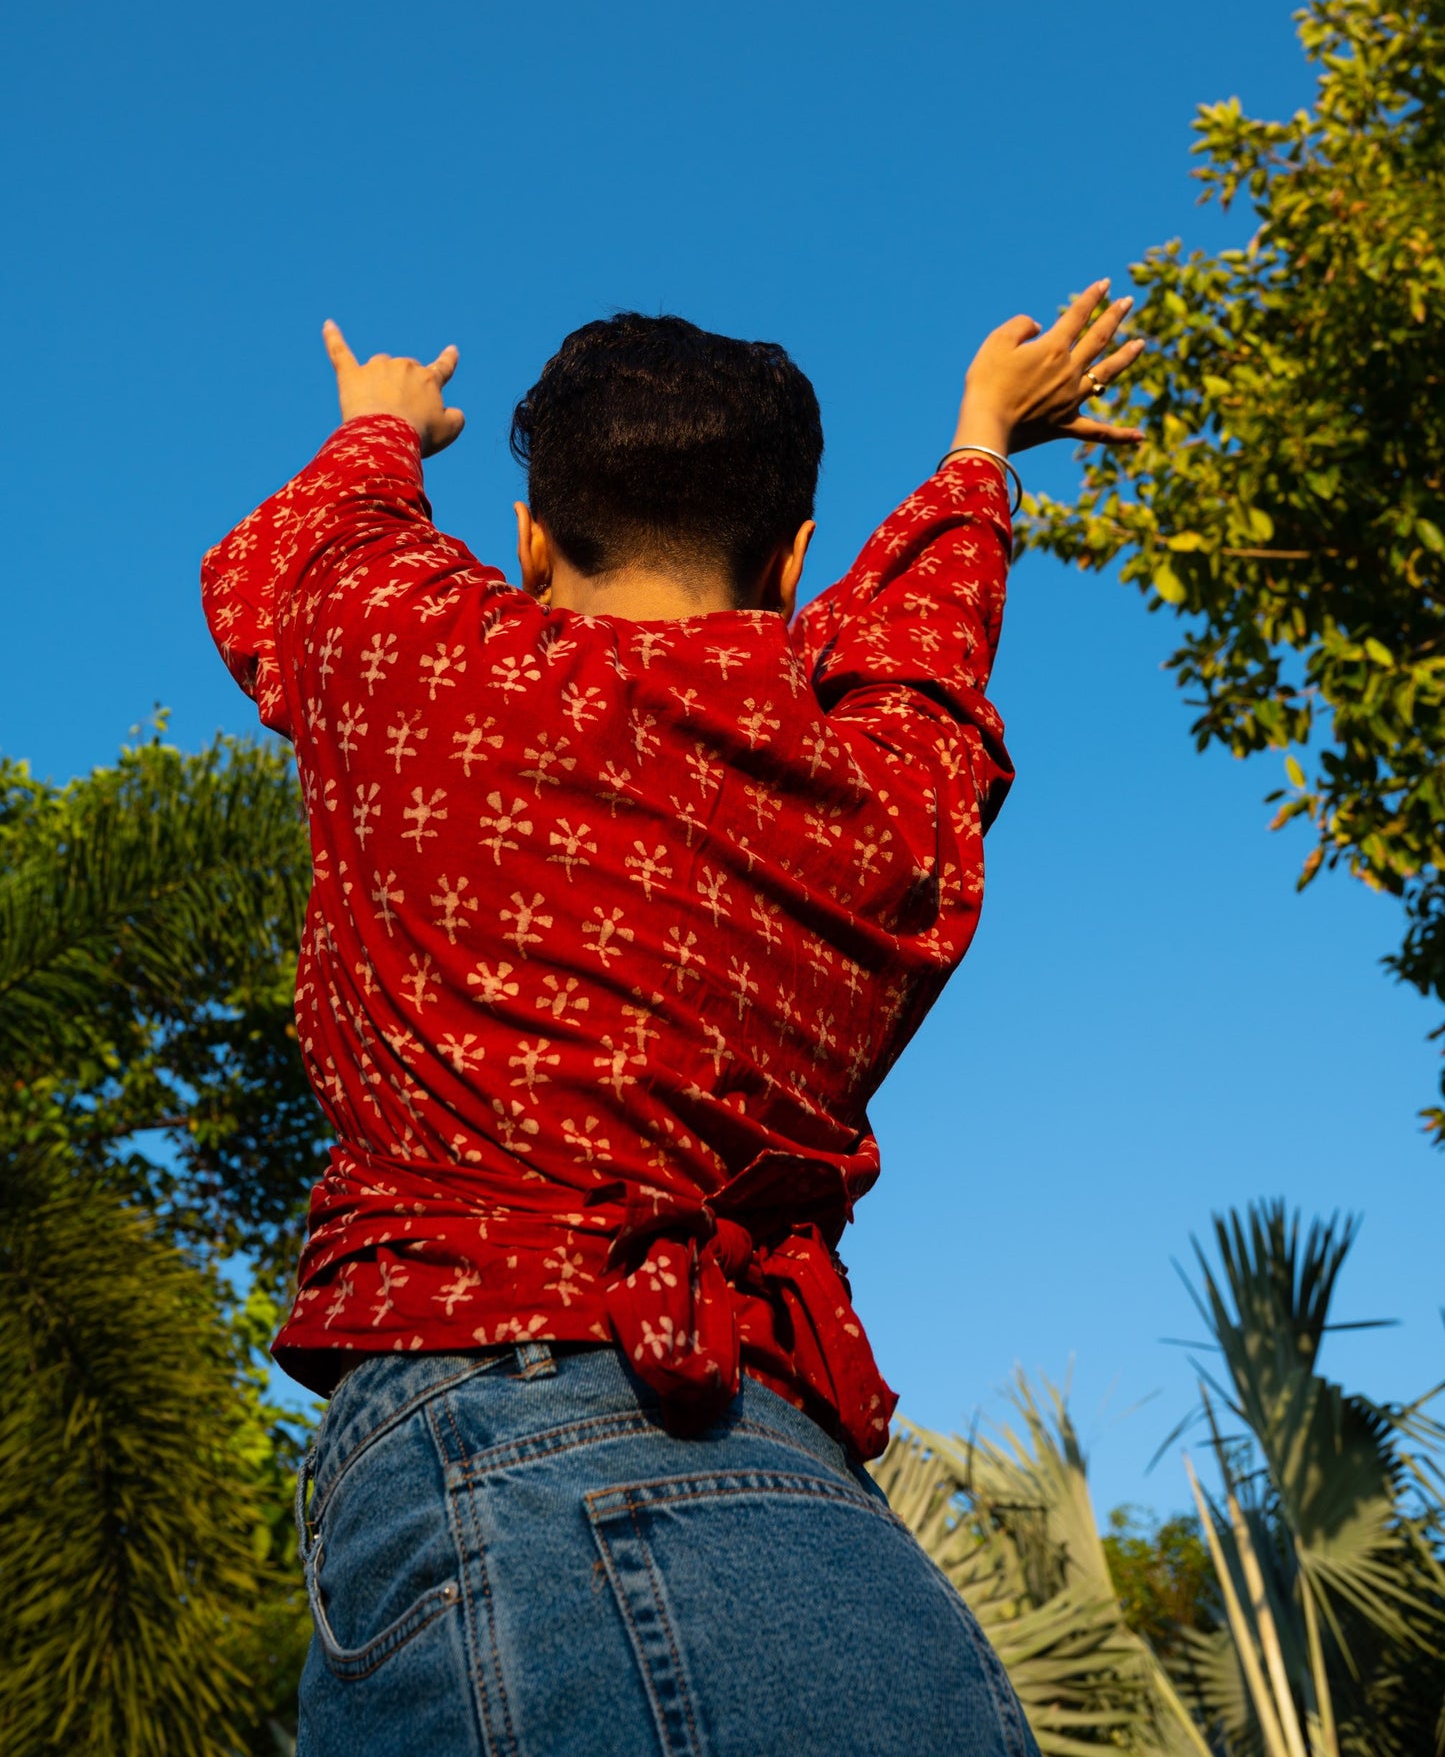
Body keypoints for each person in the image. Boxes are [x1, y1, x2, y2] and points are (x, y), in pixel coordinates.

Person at [202, 285, 1142, 1757]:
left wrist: (383, 422)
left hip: (496, 1449)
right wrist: (981, 445)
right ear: (790, 559)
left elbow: (313, 552)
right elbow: (926, 641)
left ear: (526, 539)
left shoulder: (418, 658)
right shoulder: (880, 779)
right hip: (827, 1530)